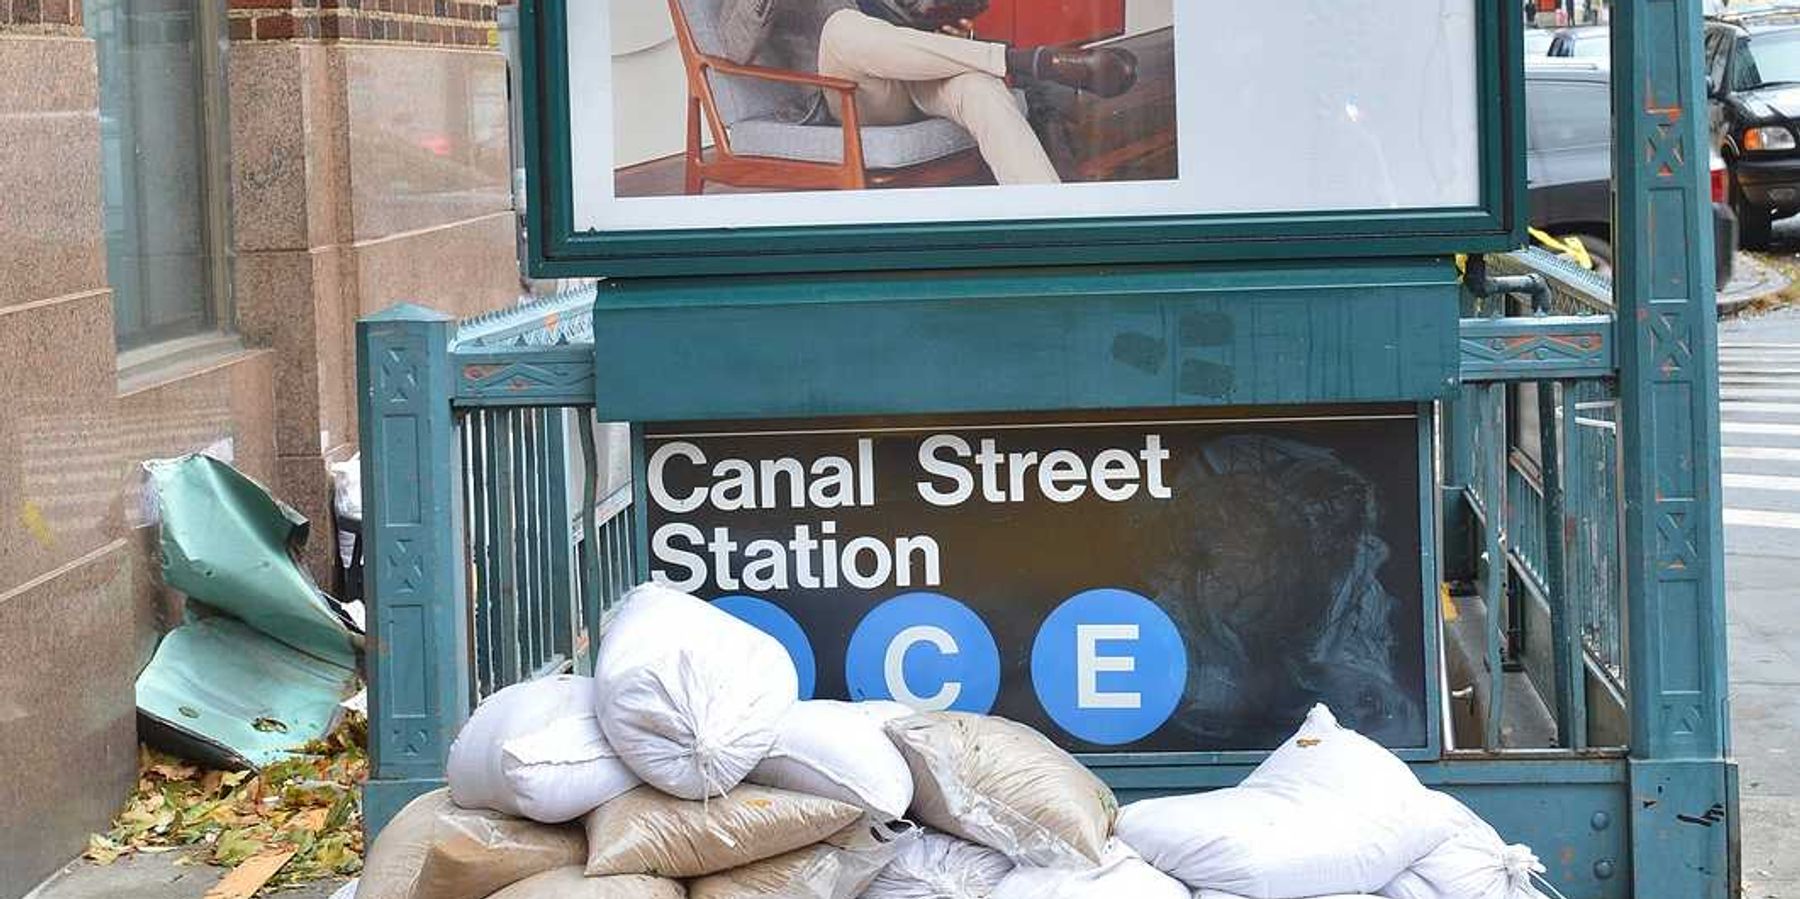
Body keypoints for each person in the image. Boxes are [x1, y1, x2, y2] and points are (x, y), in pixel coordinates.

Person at [715, 0, 1138, 185]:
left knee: (981, 90)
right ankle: (1027, 62)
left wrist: (945, 13)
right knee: (842, 27)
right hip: (851, 95)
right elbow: (735, 47)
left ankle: (1057, 238)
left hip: (915, 70)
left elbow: (917, 10)